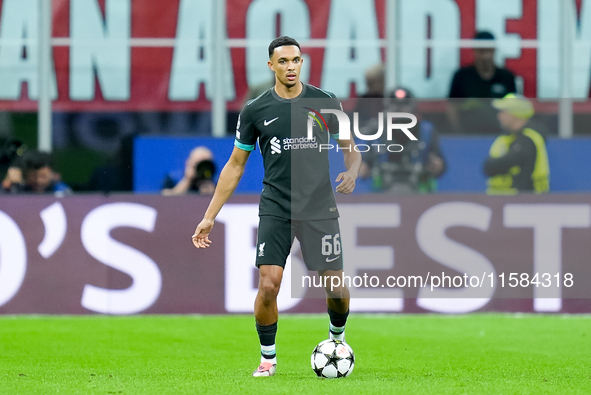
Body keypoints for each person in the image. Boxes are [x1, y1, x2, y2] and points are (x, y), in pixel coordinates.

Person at [191, 36, 361, 377]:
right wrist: (210, 216)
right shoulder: (255, 110)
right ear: (271, 66)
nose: (291, 67)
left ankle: (336, 341)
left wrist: (352, 170)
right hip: (277, 206)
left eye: (296, 60)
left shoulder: (325, 102)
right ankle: (268, 359)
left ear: (302, 62)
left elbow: (350, 147)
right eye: (283, 61)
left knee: (337, 289)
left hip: (319, 207)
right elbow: (235, 165)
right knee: (269, 284)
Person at [360, 87, 446, 194]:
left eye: (404, 104)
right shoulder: (375, 129)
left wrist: (438, 165)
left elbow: (440, 163)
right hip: (384, 191)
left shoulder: (426, 130)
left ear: (413, 107)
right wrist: (362, 167)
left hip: (419, 191)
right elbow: (365, 162)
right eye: (394, 104)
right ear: (387, 107)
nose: (399, 108)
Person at [448, 31, 517, 134]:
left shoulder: (506, 77)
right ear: (474, 50)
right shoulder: (462, 76)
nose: (485, 56)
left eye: (488, 51)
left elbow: (513, 107)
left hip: (499, 132)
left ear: (494, 50)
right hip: (469, 134)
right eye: (481, 51)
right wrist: (458, 132)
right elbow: (451, 107)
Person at [483, 94, 549, 194]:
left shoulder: (528, 139)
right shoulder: (506, 138)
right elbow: (488, 167)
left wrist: (495, 164)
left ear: (515, 113)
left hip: (526, 203)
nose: (499, 116)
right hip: (502, 201)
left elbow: (497, 165)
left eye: (503, 111)